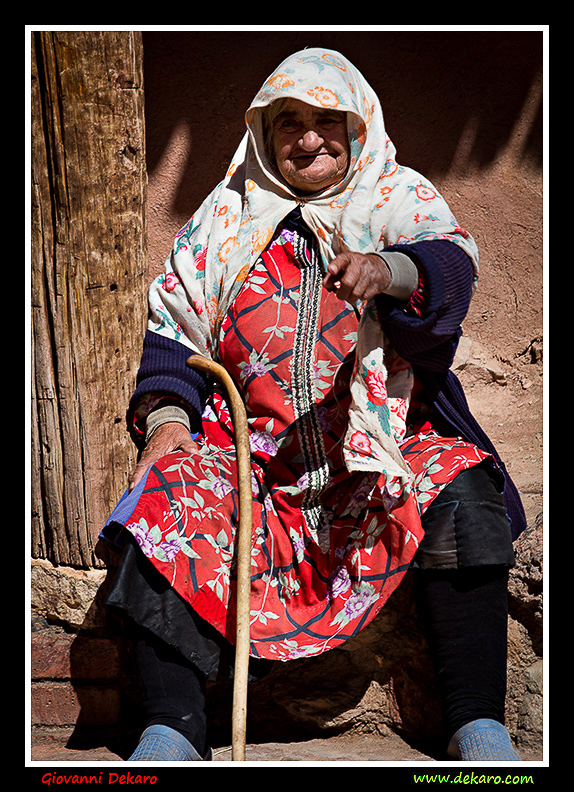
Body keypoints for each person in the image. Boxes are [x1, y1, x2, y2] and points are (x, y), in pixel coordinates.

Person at [102, 48, 526, 762]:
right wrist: (169, 424)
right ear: (263, 133)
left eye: (327, 120)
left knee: (463, 487)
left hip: (377, 450)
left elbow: (450, 270)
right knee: (164, 503)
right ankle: (170, 731)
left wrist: (387, 270)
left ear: (359, 127)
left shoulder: (399, 200)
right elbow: (174, 339)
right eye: (288, 122)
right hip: (256, 467)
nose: (307, 139)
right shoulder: (222, 221)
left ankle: (478, 727)